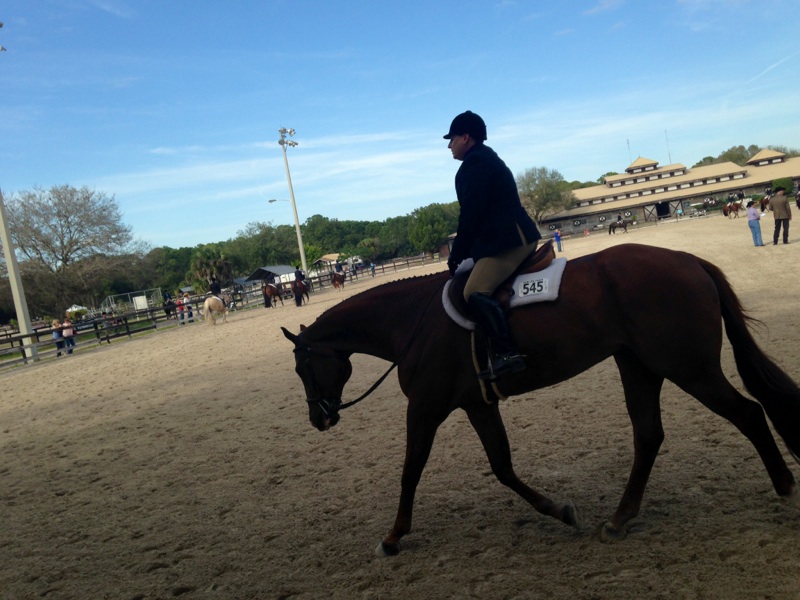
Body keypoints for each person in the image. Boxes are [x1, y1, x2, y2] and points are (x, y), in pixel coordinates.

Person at [444, 110, 541, 380]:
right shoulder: (486, 158)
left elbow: (470, 216)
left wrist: (457, 254)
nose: (449, 145)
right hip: (510, 235)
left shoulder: (474, 165)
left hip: (508, 240)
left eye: (452, 139)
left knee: (474, 291)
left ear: (466, 137)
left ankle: (508, 354)